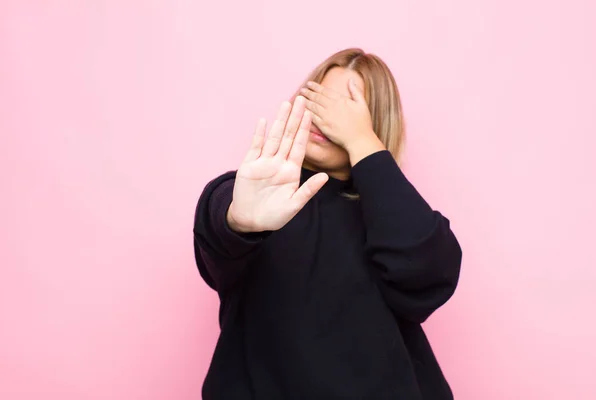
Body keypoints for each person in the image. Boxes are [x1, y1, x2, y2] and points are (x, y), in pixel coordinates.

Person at [193, 48, 462, 399]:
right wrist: (238, 220)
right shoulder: (254, 195)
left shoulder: (394, 215)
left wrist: (362, 142)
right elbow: (220, 221)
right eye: (318, 99)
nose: (324, 117)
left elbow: (428, 273)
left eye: (346, 108)